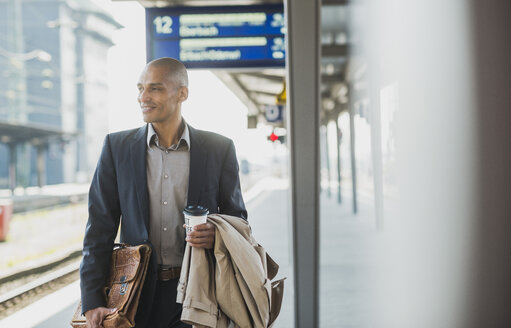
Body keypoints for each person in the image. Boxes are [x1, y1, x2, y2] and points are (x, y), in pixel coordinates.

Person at [79, 57, 247, 328]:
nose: (143, 97)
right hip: (134, 294)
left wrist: (217, 233)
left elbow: (238, 220)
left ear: (182, 93)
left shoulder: (219, 149)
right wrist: (91, 298)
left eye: (154, 88)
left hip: (200, 292)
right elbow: (99, 228)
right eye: (140, 88)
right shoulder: (117, 147)